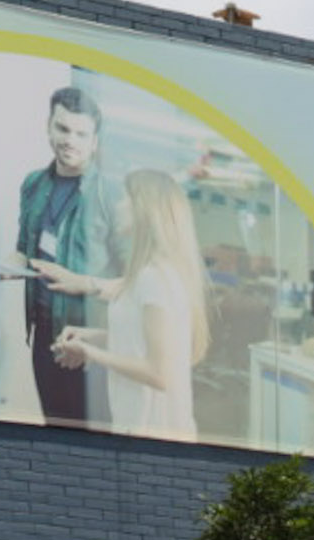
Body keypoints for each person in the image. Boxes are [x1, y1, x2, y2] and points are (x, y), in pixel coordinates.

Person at [49, 168, 203, 441]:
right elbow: (142, 340)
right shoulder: (152, 274)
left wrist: (89, 352)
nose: (118, 206)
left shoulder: (154, 278)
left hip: (154, 434)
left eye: (125, 199)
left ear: (144, 210)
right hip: (139, 424)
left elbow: (159, 373)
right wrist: (93, 338)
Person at [14, 85, 119, 428]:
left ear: (95, 141)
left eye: (80, 133)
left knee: (92, 439)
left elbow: (134, 279)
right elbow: (23, 253)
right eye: (62, 129)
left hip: (89, 339)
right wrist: (4, 269)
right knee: (54, 430)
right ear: (48, 126)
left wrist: (83, 284)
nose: (69, 140)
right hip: (44, 333)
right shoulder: (33, 184)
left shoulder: (109, 196)